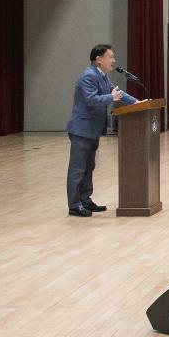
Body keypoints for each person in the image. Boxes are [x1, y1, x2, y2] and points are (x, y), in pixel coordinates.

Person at [65, 44, 138, 217]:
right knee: (78, 169)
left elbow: (117, 93)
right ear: (98, 59)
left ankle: (85, 200)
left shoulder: (103, 76)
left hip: (92, 129)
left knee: (89, 166)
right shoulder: (88, 76)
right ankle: (74, 205)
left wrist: (137, 103)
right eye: (110, 57)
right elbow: (91, 99)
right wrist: (110, 97)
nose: (113, 60)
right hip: (82, 129)